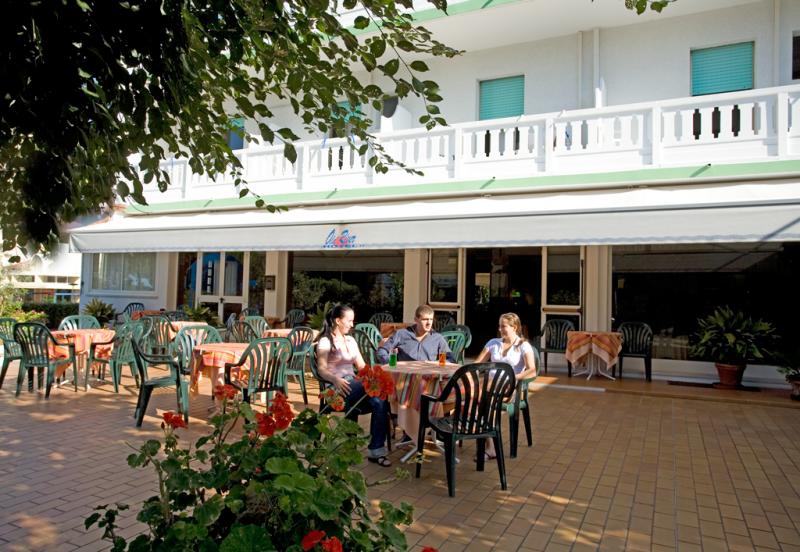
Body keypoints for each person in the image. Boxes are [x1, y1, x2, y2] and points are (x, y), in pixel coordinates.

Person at [315, 304, 392, 467]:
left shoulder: (350, 340)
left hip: (354, 385)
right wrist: (335, 380)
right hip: (336, 389)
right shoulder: (325, 341)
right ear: (338, 321)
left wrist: (374, 377)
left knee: (379, 400)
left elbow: (362, 367)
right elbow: (321, 369)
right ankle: (391, 426)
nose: (352, 324)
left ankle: (376, 451)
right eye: (349, 321)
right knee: (381, 390)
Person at [473, 312, 538, 460]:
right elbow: (477, 364)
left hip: (510, 387)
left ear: (514, 327)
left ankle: (485, 442)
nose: (500, 329)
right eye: (499, 326)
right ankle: (489, 444)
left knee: (481, 400)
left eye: (503, 326)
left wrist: (513, 378)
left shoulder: (523, 345)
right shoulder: (493, 343)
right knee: (469, 394)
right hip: (489, 385)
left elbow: (532, 370)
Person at [376, 304, 453, 364]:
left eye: (431, 319)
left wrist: (437, 365)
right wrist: (390, 363)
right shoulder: (402, 334)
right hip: (405, 375)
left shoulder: (438, 338)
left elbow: (450, 359)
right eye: (425, 319)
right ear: (416, 319)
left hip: (428, 376)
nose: (429, 323)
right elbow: (382, 351)